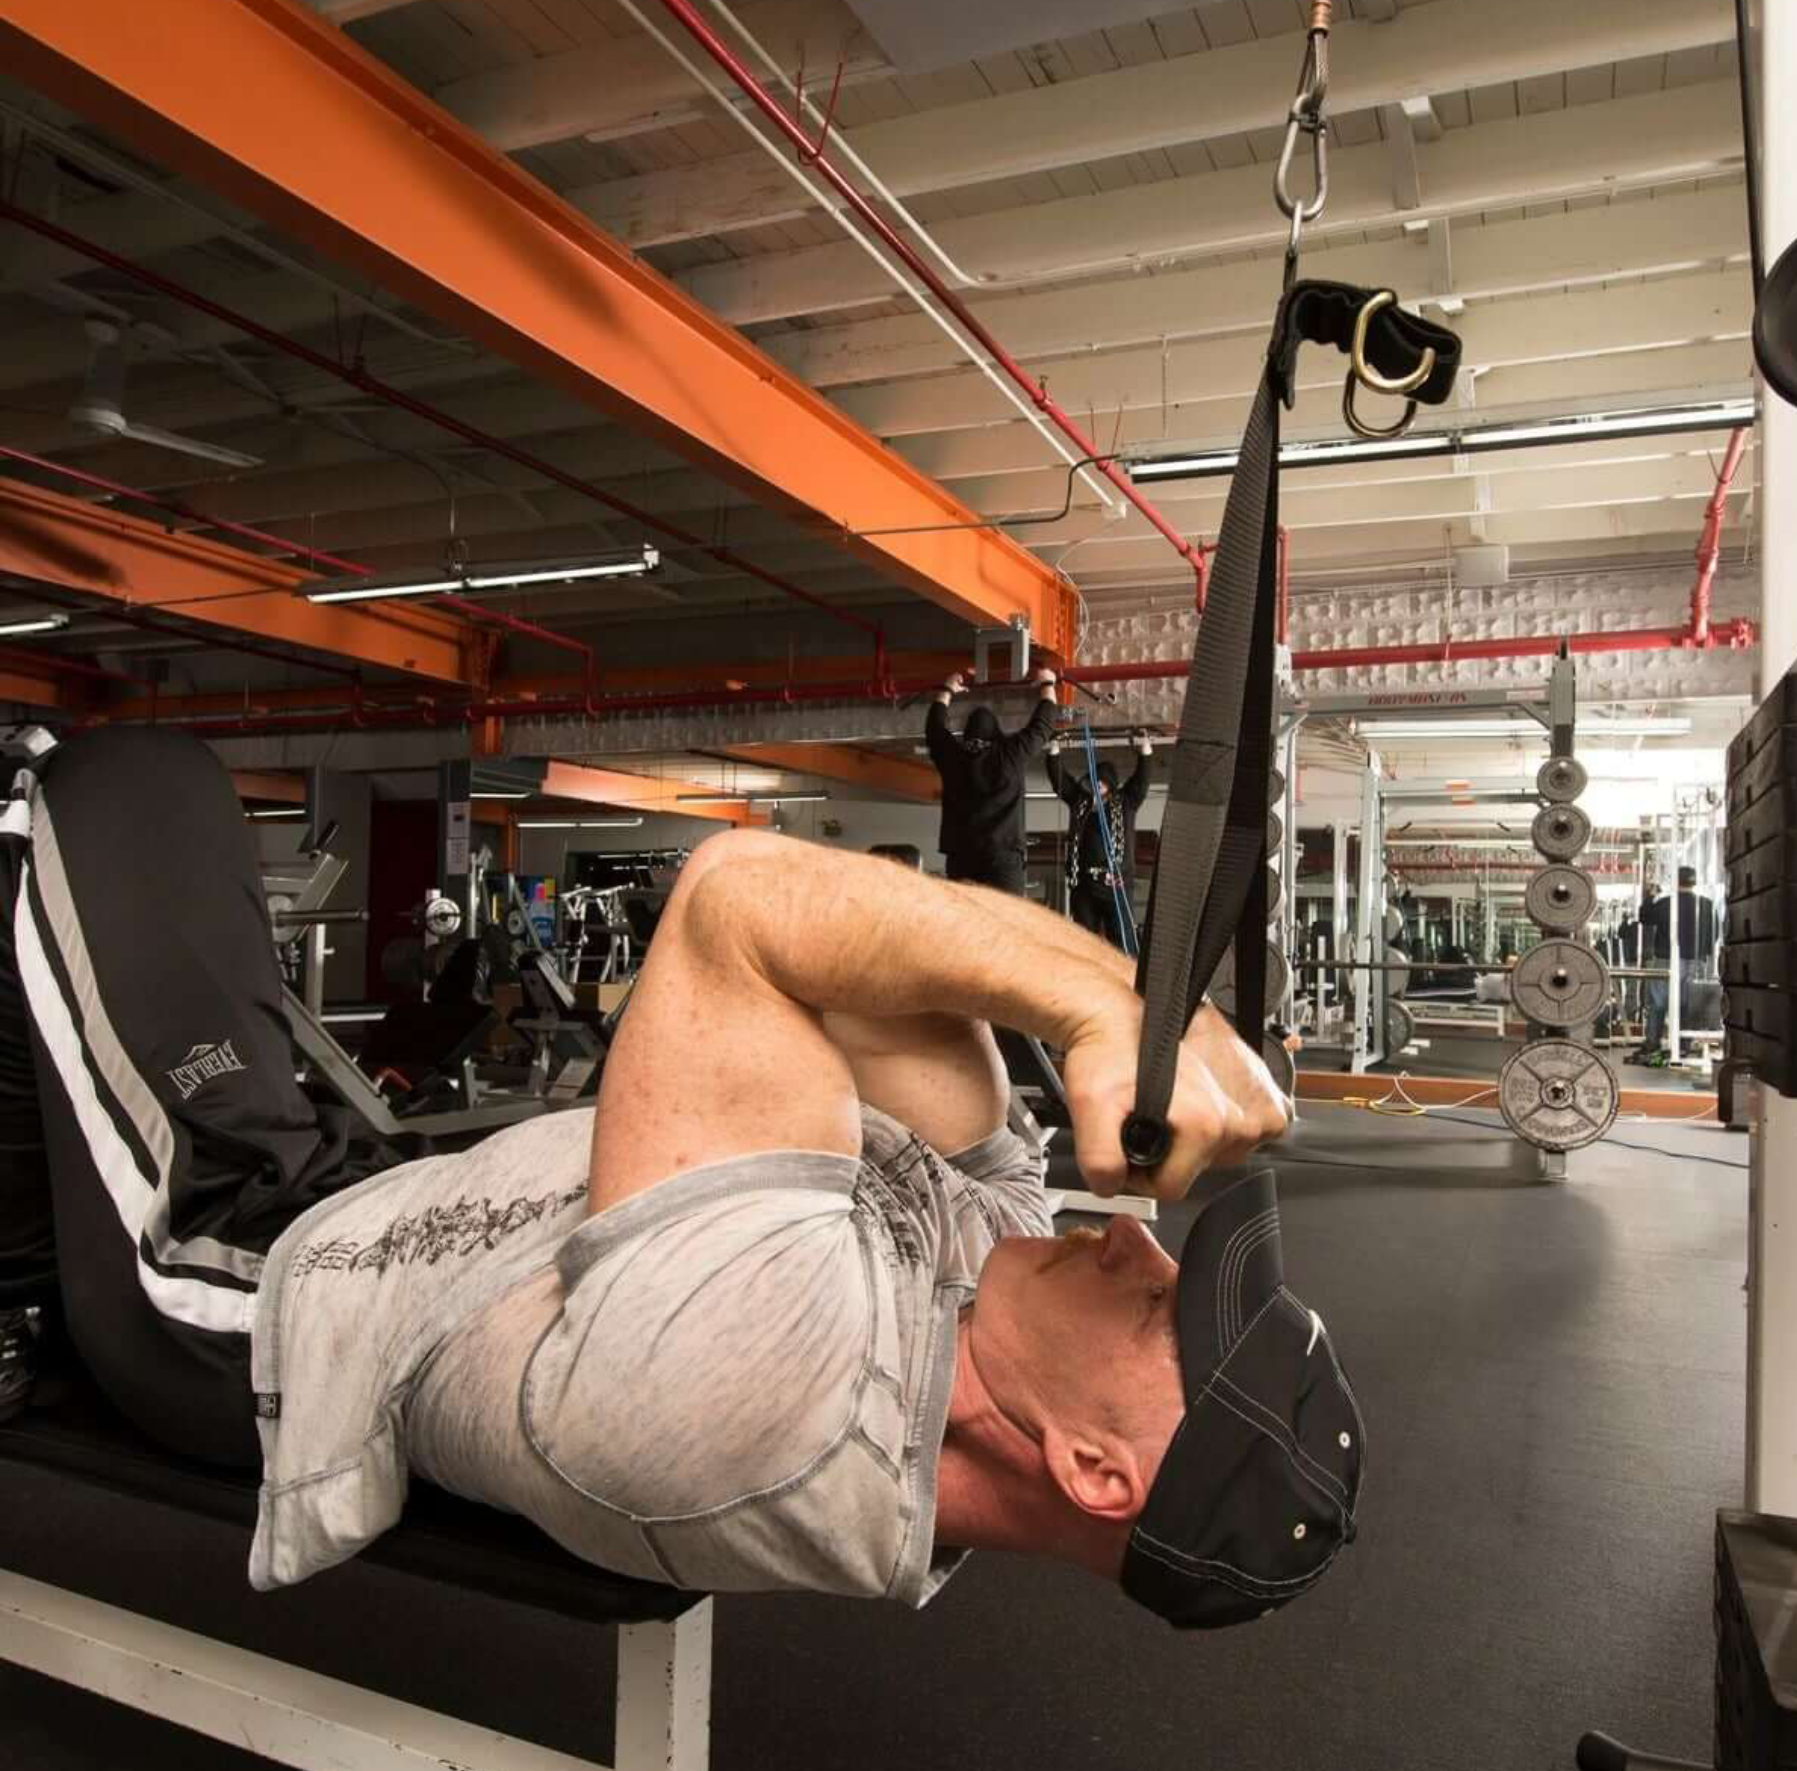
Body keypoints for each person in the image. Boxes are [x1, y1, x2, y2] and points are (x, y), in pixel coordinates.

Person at [1, 727, 1361, 1632]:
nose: (1143, 1252)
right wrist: (1126, 1000)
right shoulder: (998, 1265)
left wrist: (1095, 1016)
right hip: (389, 1202)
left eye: (1163, 1320)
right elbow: (884, 980)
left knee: (126, 787)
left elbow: (740, 906)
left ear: (1092, 1472)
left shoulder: (780, 1400)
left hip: (250, 1286)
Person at [924, 665, 1059, 895]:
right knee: (1006, 926)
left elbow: (934, 729)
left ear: (967, 733)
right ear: (996, 733)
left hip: (961, 858)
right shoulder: (1009, 755)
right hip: (1003, 858)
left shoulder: (953, 758)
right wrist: (1048, 683)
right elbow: (1043, 725)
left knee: (966, 926)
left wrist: (946, 689)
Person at [1046, 732, 1152, 946]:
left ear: (1110, 785)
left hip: (1116, 886)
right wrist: (1053, 752)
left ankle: (1126, 977)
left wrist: (1145, 753)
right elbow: (1061, 782)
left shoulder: (1125, 803)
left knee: (1123, 943)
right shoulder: (1081, 802)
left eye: (1101, 783)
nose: (1097, 786)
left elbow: (1141, 783)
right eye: (1094, 782)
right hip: (1084, 885)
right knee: (1085, 944)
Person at [1638, 866, 1719, 1060]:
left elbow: (1644, 918)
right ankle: (1683, 1045)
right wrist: (1703, 955)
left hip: (1666, 959)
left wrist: (1650, 896)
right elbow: (1714, 934)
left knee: (1658, 1004)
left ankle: (1652, 1043)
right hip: (1695, 960)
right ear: (1695, 882)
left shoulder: (1666, 903)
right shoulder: (1707, 904)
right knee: (1687, 1004)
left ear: (1675, 882)